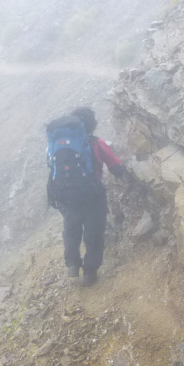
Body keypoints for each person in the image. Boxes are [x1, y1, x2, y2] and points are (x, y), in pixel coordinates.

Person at [50, 106, 131, 286]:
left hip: (65, 195)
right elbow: (116, 168)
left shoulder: (58, 144)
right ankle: (90, 272)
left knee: (71, 229)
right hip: (92, 195)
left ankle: (72, 263)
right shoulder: (97, 143)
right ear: (92, 124)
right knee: (94, 232)